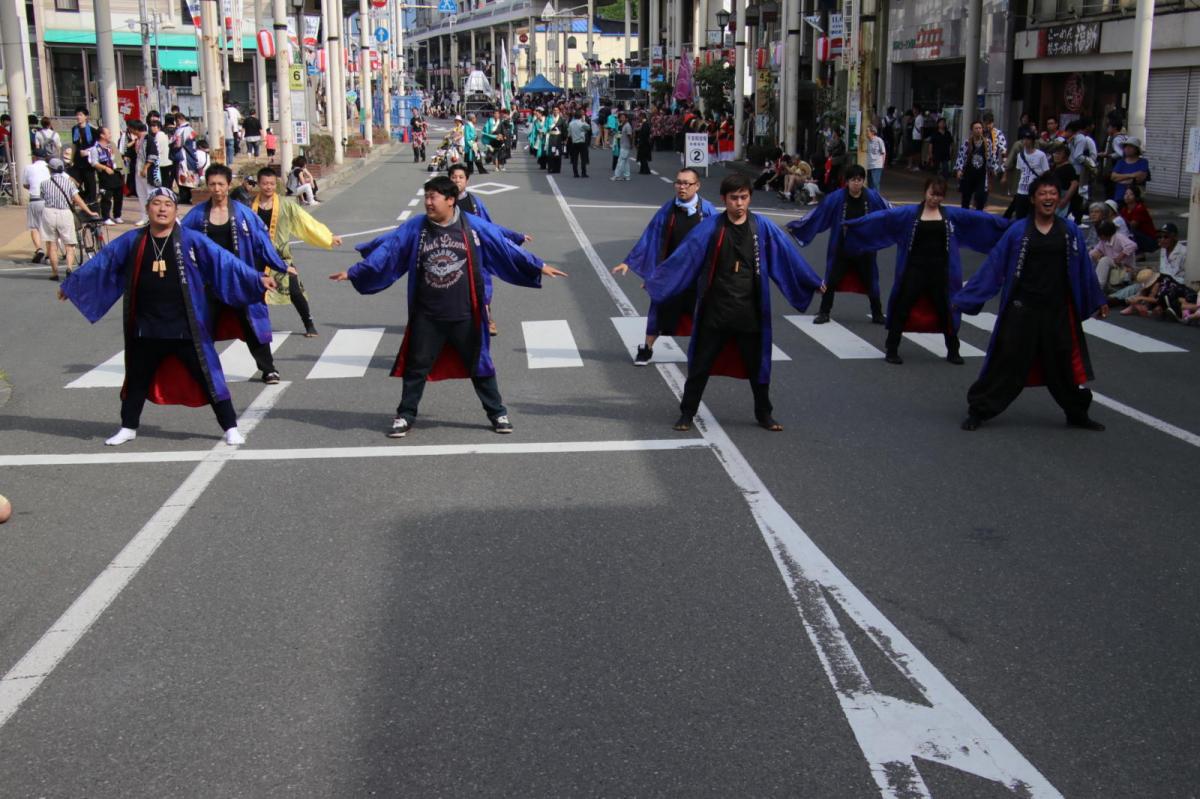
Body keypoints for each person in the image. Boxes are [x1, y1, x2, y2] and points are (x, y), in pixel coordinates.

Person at [329, 175, 566, 439]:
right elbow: (390, 249)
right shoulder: (416, 227)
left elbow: (502, 244)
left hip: (465, 312)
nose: (428, 203)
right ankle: (405, 415)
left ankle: (498, 412)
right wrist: (356, 272)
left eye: (434, 197)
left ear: (450, 200)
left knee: (480, 364)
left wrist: (538, 265)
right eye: (426, 197)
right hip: (427, 313)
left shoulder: (471, 226)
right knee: (416, 368)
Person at [58, 187, 277, 447]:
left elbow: (224, 261)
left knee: (210, 377)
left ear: (175, 211)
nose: (162, 209)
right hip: (145, 327)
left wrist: (256, 278)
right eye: (156, 204)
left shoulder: (191, 240)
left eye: (167, 205)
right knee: (136, 380)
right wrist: (72, 285)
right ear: (148, 209)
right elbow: (104, 261)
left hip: (185, 328)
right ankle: (128, 427)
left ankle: (230, 427)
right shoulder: (133, 241)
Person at [645, 173, 825, 432]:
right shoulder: (711, 228)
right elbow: (684, 257)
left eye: (743, 197)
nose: (739, 203)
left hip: (749, 312)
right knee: (699, 366)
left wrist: (812, 280)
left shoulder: (761, 227)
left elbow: (786, 256)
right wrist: (658, 281)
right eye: (733, 198)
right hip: (715, 311)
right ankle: (687, 413)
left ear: (749, 198)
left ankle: (764, 414)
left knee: (758, 368)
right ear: (723, 199)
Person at [954, 174, 1108, 432]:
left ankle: (1076, 413)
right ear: (1034, 199)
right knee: (1007, 361)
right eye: (1042, 194)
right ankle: (979, 410)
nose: (1048, 198)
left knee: (1062, 365)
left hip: (1056, 310)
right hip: (1022, 309)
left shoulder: (1068, 231)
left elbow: (1083, 269)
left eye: (1053, 194)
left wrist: (1098, 300)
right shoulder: (1018, 231)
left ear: (1058, 199)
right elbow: (994, 267)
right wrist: (965, 298)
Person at [845, 175, 1009, 365]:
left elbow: (980, 221)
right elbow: (883, 219)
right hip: (914, 269)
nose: (935, 198)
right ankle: (892, 349)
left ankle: (953, 351)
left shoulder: (951, 215)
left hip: (940, 271)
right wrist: (857, 225)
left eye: (939, 195)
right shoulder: (909, 213)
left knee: (945, 310)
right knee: (902, 308)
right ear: (925, 192)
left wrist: (1011, 227)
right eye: (932, 193)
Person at [181, 163, 289, 384]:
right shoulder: (196, 216)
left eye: (221, 184)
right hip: (208, 283)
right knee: (202, 325)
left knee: (252, 324)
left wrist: (281, 265)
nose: (217, 189)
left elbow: (262, 243)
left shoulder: (244, 214)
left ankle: (268, 369)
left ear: (229, 185)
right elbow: (181, 242)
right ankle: (202, 370)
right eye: (212, 184)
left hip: (240, 279)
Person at [612, 168, 719, 365]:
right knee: (659, 310)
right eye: (678, 182)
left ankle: (700, 353)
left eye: (687, 183)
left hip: (698, 273)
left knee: (701, 313)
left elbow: (721, 240)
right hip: (671, 272)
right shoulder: (667, 210)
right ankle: (647, 349)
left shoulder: (708, 211)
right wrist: (629, 261)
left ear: (697, 185)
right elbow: (650, 237)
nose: (682, 187)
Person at [788, 164, 890, 325]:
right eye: (853, 180)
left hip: (865, 249)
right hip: (842, 249)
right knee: (831, 280)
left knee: (871, 281)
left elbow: (889, 213)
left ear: (863, 181)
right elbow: (818, 214)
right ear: (847, 182)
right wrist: (799, 226)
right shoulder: (836, 198)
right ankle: (824, 312)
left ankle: (877, 313)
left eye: (859, 180)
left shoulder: (871, 197)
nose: (856, 183)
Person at [252, 166, 343, 337]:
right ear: (259, 184)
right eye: (265, 184)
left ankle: (309, 323)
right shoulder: (249, 207)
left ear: (276, 184)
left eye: (271, 183)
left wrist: (328, 237)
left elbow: (306, 222)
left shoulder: (286, 205)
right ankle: (252, 327)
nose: (268, 187)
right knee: (251, 293)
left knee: (295, 291)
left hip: (281, 258)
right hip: (256, 258)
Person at [444, 163, 531, 336]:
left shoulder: (474, 203)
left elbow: (488, 228)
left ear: (467, 181)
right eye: (453, 177)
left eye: (461, 177)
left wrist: (515, 236)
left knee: (482, 285)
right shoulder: (443, 201)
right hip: (450, 253)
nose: (457, 181)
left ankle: (487, 319)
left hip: (475, 252)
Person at [39, 157, 101, 280]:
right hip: (65, 213)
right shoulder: (69, 183)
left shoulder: (44, 184)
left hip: (49, 213)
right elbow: (77, 199)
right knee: (69, 244)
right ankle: (69, 268)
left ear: (50, 170)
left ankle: (55, 272)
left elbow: (43, 197)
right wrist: (89, 211)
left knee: (52, 244)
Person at [955, 120, 1002, 210]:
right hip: (968, 174)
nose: (978, 130)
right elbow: (961, 156)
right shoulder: (967, 143)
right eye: (976, 128)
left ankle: (978, 216)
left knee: (980, 198)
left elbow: (991, 157)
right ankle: (964, 216)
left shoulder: (987, 142)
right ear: (972, 130)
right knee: (966, 198)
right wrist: (959, 170)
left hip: (981, 175)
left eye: (980, 128)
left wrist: (993, 169)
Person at [1007, 130, 1050, 220]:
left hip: (1034, 190)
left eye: (1028, 139)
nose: (1025, 142)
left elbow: (1046, 172)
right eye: (1024, 139)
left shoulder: (1040, 155)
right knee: (1020, 216)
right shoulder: (1020, 155)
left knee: (1033, 216)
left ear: (1033, 141)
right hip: (1021, 190)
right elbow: (1020, 172)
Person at [88, 126, 124, 225]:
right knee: (106, 197)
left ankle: (117, 215)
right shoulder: (95, 148)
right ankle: (106, 217)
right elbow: (94, 163)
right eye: (108, 133)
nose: (110, 135)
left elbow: (118, 159)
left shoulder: (112, 145)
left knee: (119, 196)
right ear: (102, 135)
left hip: (116, 173)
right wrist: (105, 168)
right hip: (105, 174)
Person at [1089, 220, 1138, 290]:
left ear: (1103, 234)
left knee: (1104, 260)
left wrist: (1120, 256)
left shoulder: (1119, 237)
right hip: (1114, 265)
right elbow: (1095, 251)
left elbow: (1132, 245)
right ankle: (1097, 284)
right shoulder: (1103, 241)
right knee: (1100, 259)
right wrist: (1094, 254)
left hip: (1125, 266)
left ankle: (1098, 286)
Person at [20, 151, 50, 264]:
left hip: (34, 200)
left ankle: (39, 249)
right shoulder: (49, 168)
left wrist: (33, 186)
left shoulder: (28, 168)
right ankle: (49, 253)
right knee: (49, 228)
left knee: (34, 227)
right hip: (48, 200)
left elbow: (25, 184)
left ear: (34, 157)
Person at [69, 106, 99, 204]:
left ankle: (91, 200)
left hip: (89, 159)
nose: (78, 117)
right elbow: (74, 144)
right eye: (77, 115)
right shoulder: (75, 129)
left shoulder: (93, 130)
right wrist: (71, 159)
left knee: (89, 180)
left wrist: (88, 152)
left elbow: (97, 146)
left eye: (81, 115)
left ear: (86, 117)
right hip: (78, 159)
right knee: (74, 179)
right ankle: (79, 198)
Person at [1110, 138, 1150, 205]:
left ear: (1136, 149)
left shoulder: (1143, 162)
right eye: (1125, 147)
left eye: (1130, 147)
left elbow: (1140, 178)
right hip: (1119, 196)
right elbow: (1113, 177)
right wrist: (1131, 175)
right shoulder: (1120, 162)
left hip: (1135, 197)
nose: (1127, 149)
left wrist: (1121, 179)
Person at [1118, 186, 1157, 253]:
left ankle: (1139, 253)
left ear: (1136, 197)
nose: (1127, 196)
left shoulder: (1140, 208)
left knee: (1131, 231)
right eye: (1126, 194)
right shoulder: (1125, 209)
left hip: (1149, 240)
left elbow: (1132, 225)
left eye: (1131, 194)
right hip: (1140, 238)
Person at [1050, 145, 1081, 222]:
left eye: (1058, 154)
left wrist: (1065, 199)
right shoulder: (1054, 167)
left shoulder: (1069, 168)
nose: (1056, 155)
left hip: (1063, 197)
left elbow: (1074, 184)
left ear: (1065, 156)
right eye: (1055, 153)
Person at [567, 109, 590, 178]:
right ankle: (583, 173)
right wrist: (584, 121)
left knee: (575, 159)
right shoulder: (582, 123)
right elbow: (588, 128)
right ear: (580, 116)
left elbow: (569, 134)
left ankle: (575, 173)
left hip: (574, 142)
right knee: (583, 158)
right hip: (582, 142)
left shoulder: (571, 123)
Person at [612, 112, 633, 181]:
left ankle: (617, 175)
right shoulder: (624, 125)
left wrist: (631, 144)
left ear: (627, 118)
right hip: (623, 145)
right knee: (626, 161)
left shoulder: (627, 126)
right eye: (621, 117)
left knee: (620, 161)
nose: (621, 118)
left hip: (625, 146)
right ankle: (627, 176)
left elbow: (630, 135)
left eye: (623, 117)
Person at [223, 100, 242, 164]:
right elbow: (240, 118)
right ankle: (235, 153)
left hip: (225, 132)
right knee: (234, 141)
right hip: (234, 128)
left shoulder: (224, 111)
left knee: (225, 146)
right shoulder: (234, 110)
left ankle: (226, 159)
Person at [907, 105, 925, 170]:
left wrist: (922, 137)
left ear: (917, 110)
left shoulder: (920, 118)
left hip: (918, 138)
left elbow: (921, 128)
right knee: (915, 152)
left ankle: (918, 166)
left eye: (914, 109)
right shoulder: (916, 117)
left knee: (917, 152)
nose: (913, 111)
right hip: (915, 137)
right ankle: (916, 165)